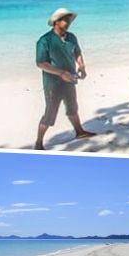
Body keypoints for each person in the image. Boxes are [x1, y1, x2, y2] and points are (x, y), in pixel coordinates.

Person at [34, 8, 96, 150]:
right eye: (64, 19)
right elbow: (40, 63)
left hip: (70, 79)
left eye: (68, 20)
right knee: (50, 113)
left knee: (72, 107)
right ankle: (38, 143)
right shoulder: (44, 41)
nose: (68, 22)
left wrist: (81, 66)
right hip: (53, 84)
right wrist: (61, 73)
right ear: (56, 22)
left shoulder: (71, 37)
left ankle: (80, 132)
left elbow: (77, 52)